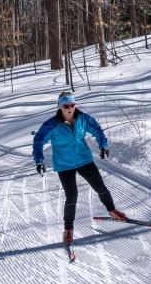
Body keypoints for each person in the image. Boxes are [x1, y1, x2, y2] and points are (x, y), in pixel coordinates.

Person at [33, 92, 127, 243]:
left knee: (100, 187)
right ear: (60, 107)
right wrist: (39, 160)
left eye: (72, 105)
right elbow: (38, 141)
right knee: (72, 196)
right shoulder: (52, 125)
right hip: (64, 165)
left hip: (84, 160)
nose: (70, 108)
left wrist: (103, 145)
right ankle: (68, 229)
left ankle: (112, 211)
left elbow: (97, 129)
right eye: (66, 106)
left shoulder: (83, 118)